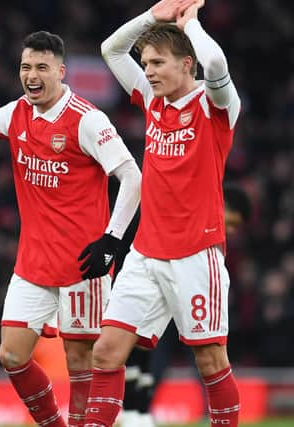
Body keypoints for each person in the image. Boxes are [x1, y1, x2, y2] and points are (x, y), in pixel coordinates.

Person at [0, 31, 141, 427]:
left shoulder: (87, 119)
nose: (32, 75)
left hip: (84, 265)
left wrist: (112, 240)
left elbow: (132, 176)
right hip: (32, 265)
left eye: (42, 67)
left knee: (81, 360)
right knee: (11, 355)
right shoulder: (15, 114)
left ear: (61, 72)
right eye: (26, 67)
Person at [83, 0, 242, 426]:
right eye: (146, 63)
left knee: (210, 360)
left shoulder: (216, 108)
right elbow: (111, 50)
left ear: (187, 64)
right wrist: (154, 16)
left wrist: (190, 23)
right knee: (106, 351)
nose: (148, 71)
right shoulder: (153, 104)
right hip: (146, 253)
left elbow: (216, 61)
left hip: (196, 253)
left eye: (157, 62)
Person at [119, 183, 252, 427]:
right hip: (157, 281)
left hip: (187, 296)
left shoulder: (211, 241)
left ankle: (202, 413)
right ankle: (138, 413)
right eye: (231, 222)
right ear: (222, 205)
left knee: (205, 360)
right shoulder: (180, 214)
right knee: (144, 354)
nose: (231, 230)